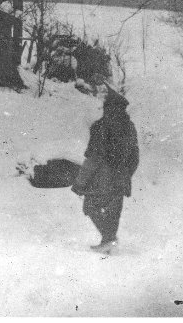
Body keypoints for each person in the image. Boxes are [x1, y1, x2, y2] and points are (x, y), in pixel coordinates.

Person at [71, 88, 139, 254]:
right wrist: (125, 173)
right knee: (113, 210)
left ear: (109, 107)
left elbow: (93, 158)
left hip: (102, 177)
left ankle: (109, 239)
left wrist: (80, 182)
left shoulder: (100, 126)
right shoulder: (130, 127)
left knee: (90, 206)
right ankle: (107, 242)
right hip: (121, 177)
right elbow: (135, 157)